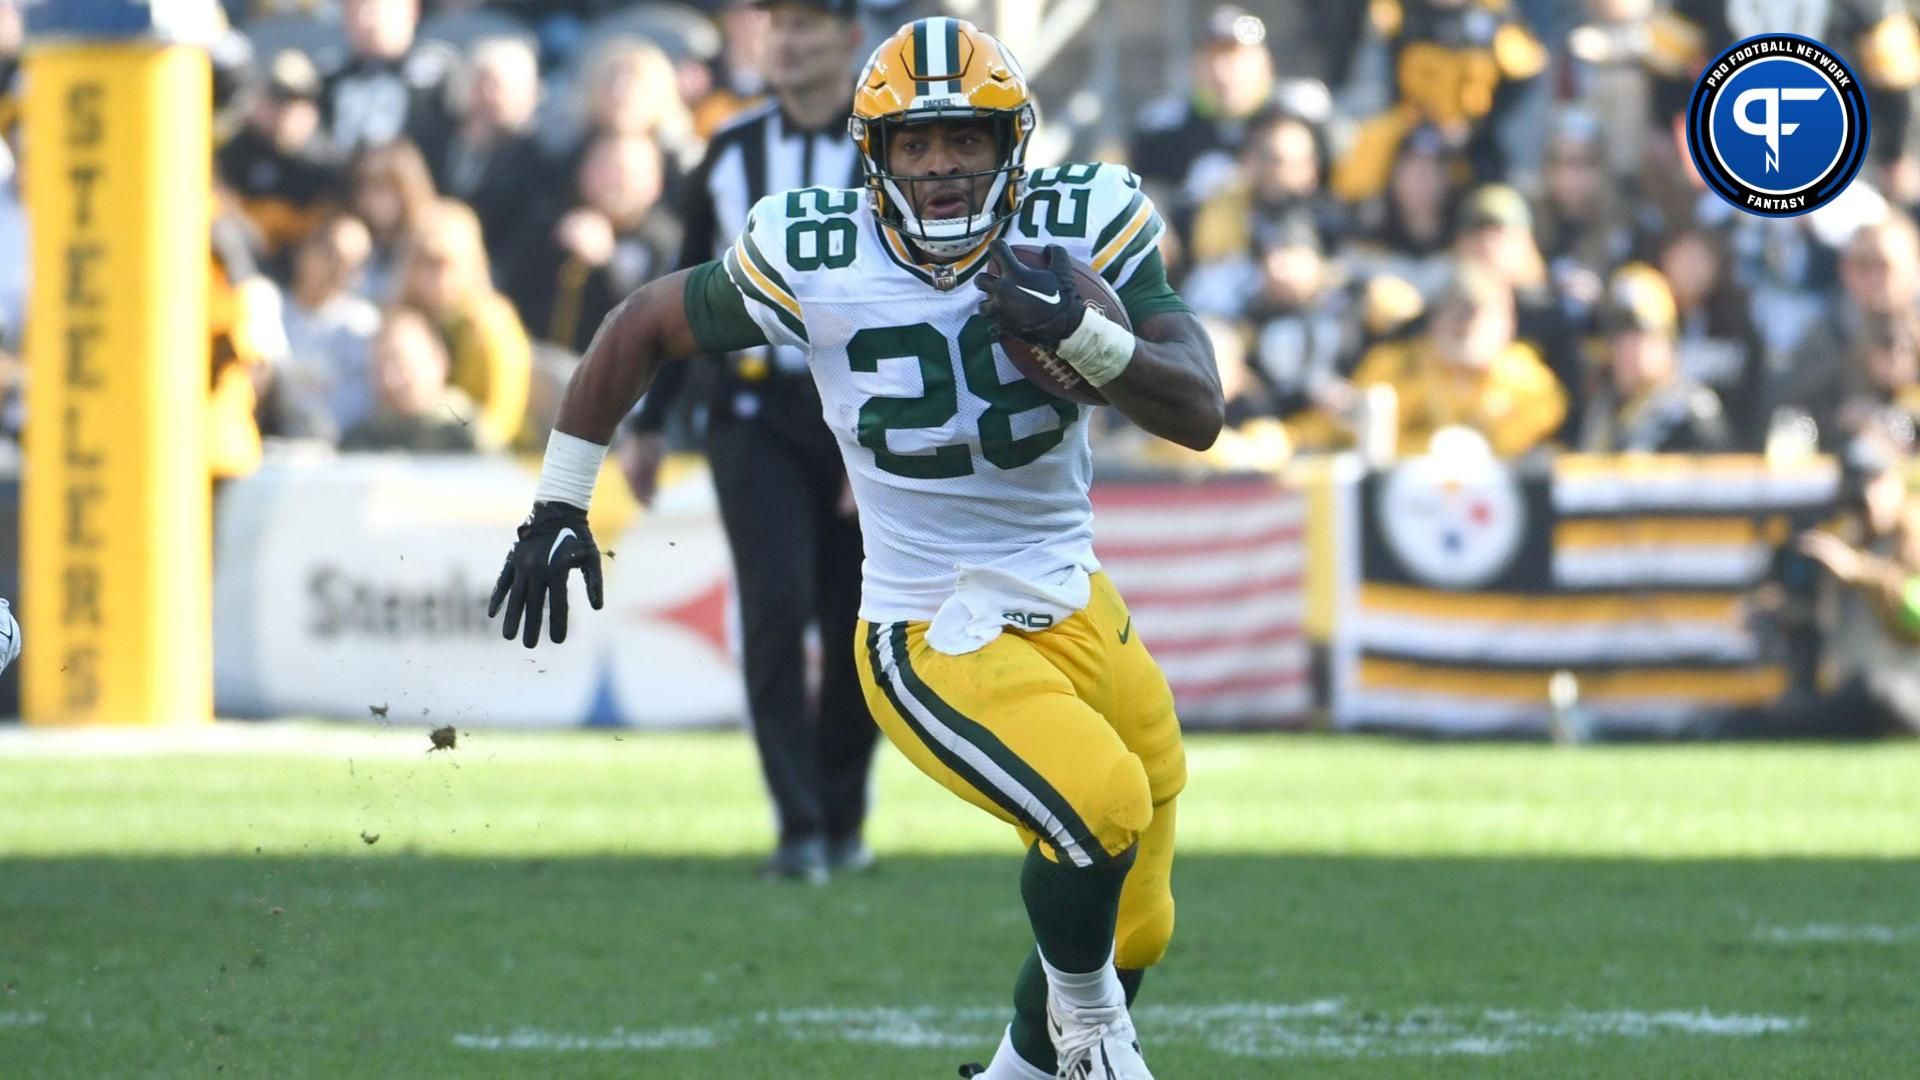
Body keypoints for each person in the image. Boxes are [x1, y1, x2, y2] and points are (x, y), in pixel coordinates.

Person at [486, 17, 1221, 1080]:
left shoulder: (1083, 222)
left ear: (1011, 142)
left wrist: (1088, 335)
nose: (939, 167)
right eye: (915, 145)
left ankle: (1023, 1071)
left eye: (964, 139)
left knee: (1140, 909)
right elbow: (641, 323)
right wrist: (560, 504)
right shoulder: (819, 252)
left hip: (1071, 594)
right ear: (874, 156)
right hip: (932, 620)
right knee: (1098, 807)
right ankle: (1096, 1042)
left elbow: (1198, 407)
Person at [617, 0, 876, 885]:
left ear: (849, 43)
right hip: (753, 415)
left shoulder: (890, 147)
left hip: (858, 416)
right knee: (774, 611)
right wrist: (650, 424)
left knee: (858, 624)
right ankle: (799, 825)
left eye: (812, 28)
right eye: (782, 28)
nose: (793, 44)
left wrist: (879, 428)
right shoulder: (729, 151)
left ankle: (843, 816)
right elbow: (688, 296)